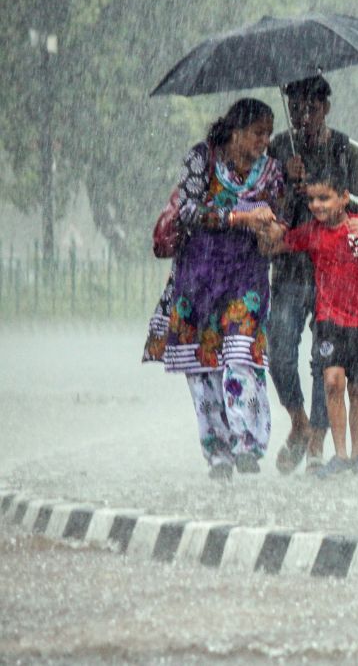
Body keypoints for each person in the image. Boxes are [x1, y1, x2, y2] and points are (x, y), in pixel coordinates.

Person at [143, 98, 283, 480]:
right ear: (236, 131)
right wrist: (239, 216)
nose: (264, 141)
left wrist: (273, 230)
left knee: (241, 356)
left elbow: (280, 218)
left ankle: (248, 444)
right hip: (199, 276)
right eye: (258, 133)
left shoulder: (272, 171)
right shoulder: (202, 159)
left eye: (269, 134)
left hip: (245, 277)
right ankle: (218, 452)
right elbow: (188, 209)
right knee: (203, 367)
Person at [267, 75, 358, 476]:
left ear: (326, 108)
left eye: (311, 108)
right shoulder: (278, 149)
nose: (303, 116)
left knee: (324, 359)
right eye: (295, 108)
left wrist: (329, 203)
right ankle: (298, 421)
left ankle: (317, 436)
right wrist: (284, 183)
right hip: (292, 268)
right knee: (278, 349)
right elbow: (266, 211)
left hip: (335, 274)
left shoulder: (347, 150)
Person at [260, 165, 358, 479]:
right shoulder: (312, 234)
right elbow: (275, 246)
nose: (317, 205)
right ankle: (340, 455)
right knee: (332, 382)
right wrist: (269, 226)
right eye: (313, 200)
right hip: (329, 320)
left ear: (344, 198)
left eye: (325, 198)